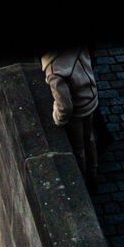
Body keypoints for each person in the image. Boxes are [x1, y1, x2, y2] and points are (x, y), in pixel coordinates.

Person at [41, 49, 99, 189]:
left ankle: (83, 182)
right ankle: (94, 174)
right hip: (91, 99)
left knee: (79, 149)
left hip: (78, 110)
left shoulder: (54, 70)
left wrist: (57, 117)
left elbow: (65, 107)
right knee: (89, 138)